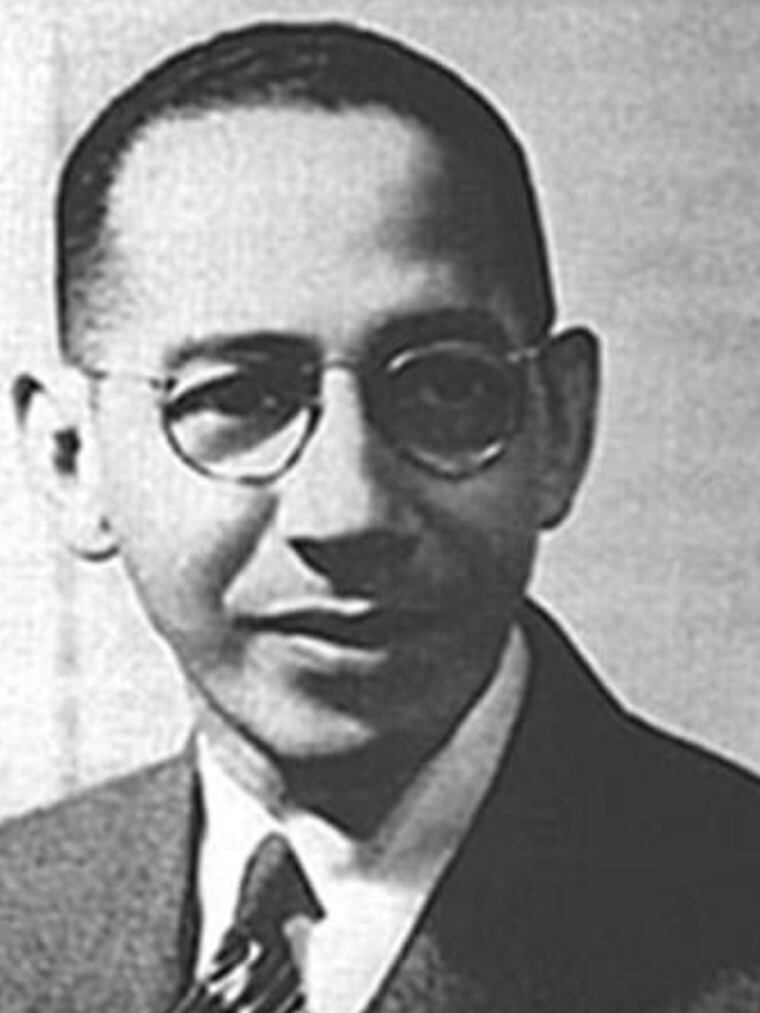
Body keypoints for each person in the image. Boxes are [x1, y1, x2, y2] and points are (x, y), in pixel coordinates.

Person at [2, 18, 760, 1013]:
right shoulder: (20, 915)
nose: (349, 511)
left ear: (561, 426)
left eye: (444, 386)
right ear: (74, 460)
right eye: (238, 396)